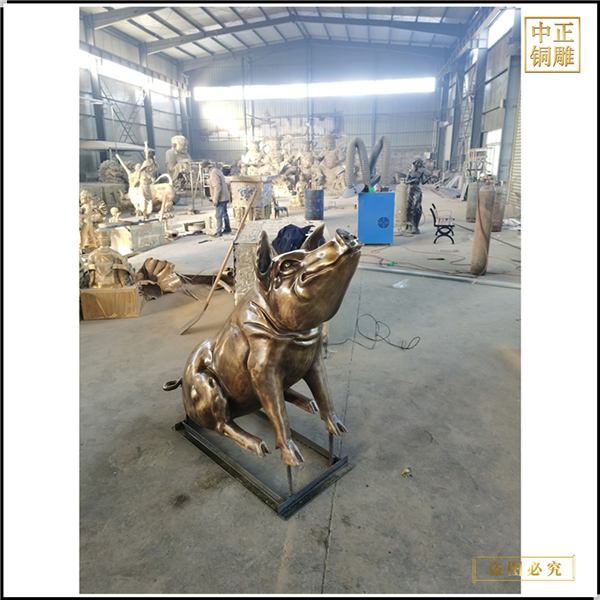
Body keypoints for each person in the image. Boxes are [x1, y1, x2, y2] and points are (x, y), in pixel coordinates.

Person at [201, 160, 231, 237]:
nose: (204, 170)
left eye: (204, 169)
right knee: (225, 214)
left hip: (221, 198)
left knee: (218, 215)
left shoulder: (213, 173)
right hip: (225, 196)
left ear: (207, 167)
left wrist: (215, 199)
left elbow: (217, 187)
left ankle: (218, 232)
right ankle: (227, 228)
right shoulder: (217, 170)